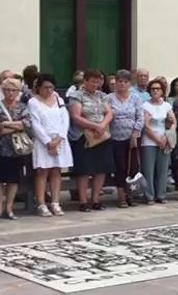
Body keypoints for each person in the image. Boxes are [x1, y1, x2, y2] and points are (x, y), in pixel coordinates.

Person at [69, 69, 114, 212]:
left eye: (98, 81)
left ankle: (95, 199)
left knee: (101, 168)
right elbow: (76, 117)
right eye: (93, 81)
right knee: (84, 169)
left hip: (101, 135)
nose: (96, 84)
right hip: (84, 136)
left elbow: (109, 113)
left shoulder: (103, 96)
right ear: (85, 81)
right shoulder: (77, 96)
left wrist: (102, 125)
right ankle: (83, 201)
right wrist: (94, 126)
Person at [28, 74, 72, 216]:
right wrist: (48, 142)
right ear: (39, 87)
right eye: (46, 87)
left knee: (56, 171)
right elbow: (35, 123)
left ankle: (55, 202)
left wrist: (59, 138)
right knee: (42, 172)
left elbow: (65, 119)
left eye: (51, 88)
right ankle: (41, 204)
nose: (49, 90)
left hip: (59, 140)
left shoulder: (58, 99)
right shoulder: (33, 102)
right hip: (43, 143)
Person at [107, 70, 144, 208]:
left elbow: (140, 117)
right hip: (115, 138)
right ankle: (121, 197)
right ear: (115, 83)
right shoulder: (109, 98)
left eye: (125, 82)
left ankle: (131, 195)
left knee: (132, 168)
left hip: (132, 137)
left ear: (130, 84)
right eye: (119, 81)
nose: (122, 84)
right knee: (120, 167)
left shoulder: (135, 98)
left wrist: (135, 133)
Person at [0, 77, 31, 219]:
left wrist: (6, 124)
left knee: (13, 180)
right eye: (7, 90)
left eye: (14, 90)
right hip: (2, 148)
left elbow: (27, 125)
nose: (10, 93)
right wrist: (16, 127)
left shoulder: (22, 107)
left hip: (17, 149)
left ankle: (9, 208)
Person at [140, 78, 175, 204]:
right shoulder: (145, 106)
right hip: (149, 141)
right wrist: (157, 139)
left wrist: (166, 137)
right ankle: (149, 196)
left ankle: (161, 195)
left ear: (162, 91)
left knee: (163, 169)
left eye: (158, 89)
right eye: (153, 89)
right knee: (149, 170)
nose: (155, 91)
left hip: (164, 140)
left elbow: (173, 122)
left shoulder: (166, 105)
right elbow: (146, 126)